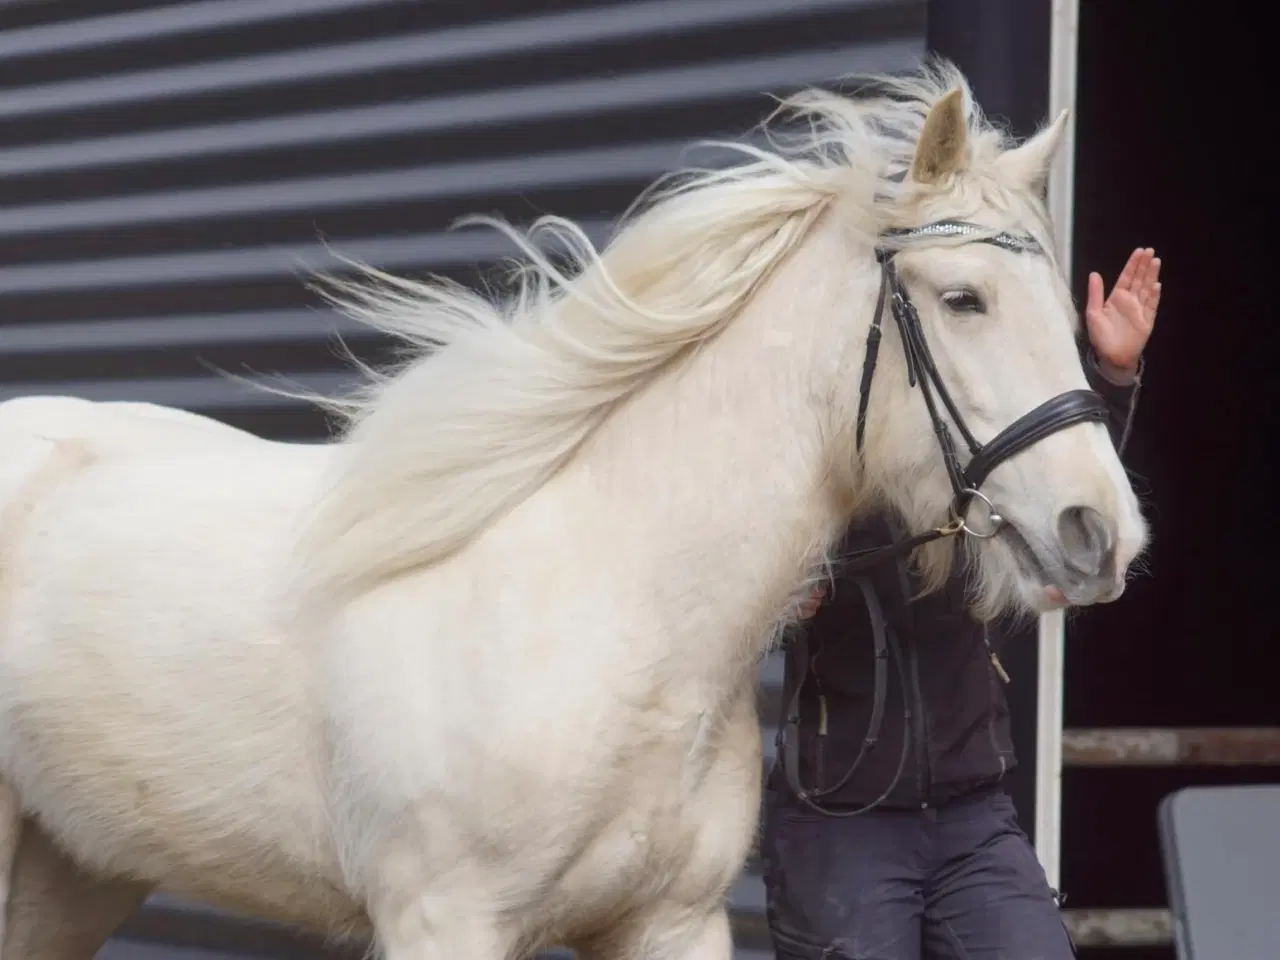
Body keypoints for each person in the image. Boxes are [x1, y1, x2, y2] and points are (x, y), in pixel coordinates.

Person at [762, 247, 1162, 960]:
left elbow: (1061, 505)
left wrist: (1113, 375)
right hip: (843, 824)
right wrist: (778, 588)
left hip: (972, 815)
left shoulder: (971, 460)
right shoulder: (817, 440)